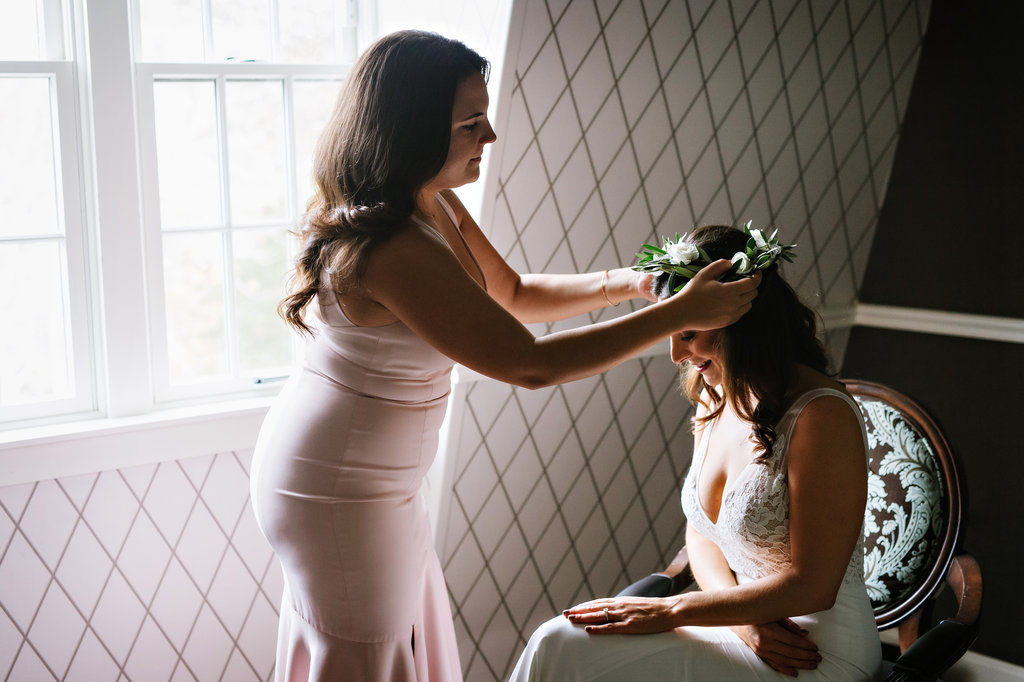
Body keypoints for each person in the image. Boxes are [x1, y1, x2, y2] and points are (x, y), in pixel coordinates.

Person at [248, 31, 760, 682]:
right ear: (410, 129)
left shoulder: (434, 204)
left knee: (395, 639)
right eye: (470, 123)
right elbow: (530, 365)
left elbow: (511, 293)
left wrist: (629, 282)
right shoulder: (390, 245)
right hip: (338, 488)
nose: (489, 136)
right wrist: (677, 314)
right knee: (364, 653)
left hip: (378, 479)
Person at [510, 224, 881, 681]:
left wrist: (672, 610)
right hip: (742, 626)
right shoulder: (715, 395)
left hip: (814, 652)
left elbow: (814, 586)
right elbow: (702, 538)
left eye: (686, 332)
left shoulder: (821, 416)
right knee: (557, 641)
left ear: (739, 319)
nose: (674, 354)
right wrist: (742, 621)